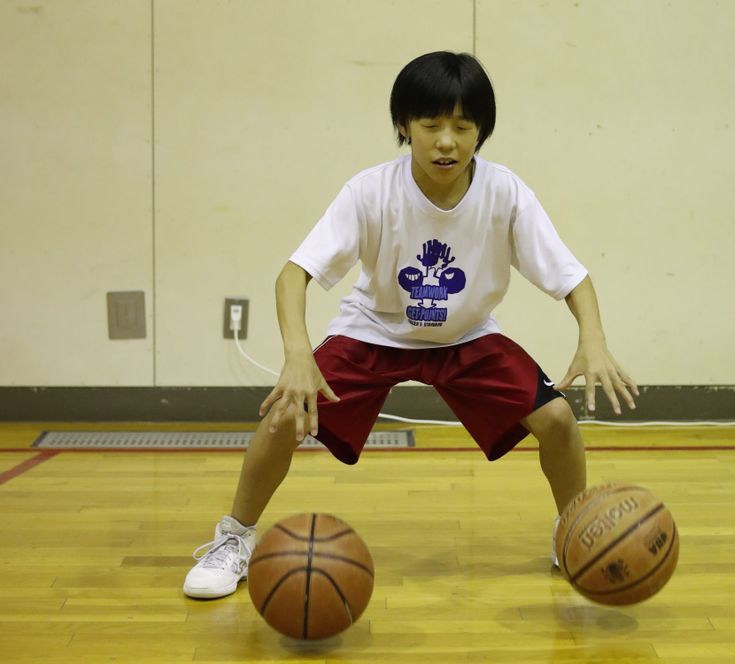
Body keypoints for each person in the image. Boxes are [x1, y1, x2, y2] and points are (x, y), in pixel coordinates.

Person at [183, 51, 638, 599]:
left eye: (463, 127)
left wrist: (593, 339)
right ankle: (234, 538)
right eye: (431, 125)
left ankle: (575, 533)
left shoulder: (506, 193)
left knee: (559, 420)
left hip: (466, 336)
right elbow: (292, 275)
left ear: (481, 131)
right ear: (404, 125)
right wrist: (297, 355)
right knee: (285, 414)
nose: (447, 141)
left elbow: (571, 277)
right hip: (375, 330)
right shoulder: (370, 191)